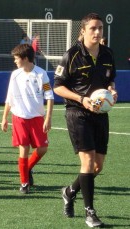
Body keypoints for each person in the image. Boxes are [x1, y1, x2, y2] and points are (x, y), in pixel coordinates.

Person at [53, 13, 117, 228]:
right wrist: (82, 99)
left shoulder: (107, 53)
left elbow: (110, 82)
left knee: (97, 167)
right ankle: (90, 212)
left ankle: (69, 191)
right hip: (77, 113)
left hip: (100, 115)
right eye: (93, 28)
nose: (97, 32)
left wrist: (111, 94)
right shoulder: (71, 55)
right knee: (87, 163)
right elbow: (58, 86)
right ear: (83, 31)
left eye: (100, 28)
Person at [1, 44, 54, 194]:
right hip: (20, 118)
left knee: (43, 149)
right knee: (23, 150)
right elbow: (9, 98)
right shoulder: (15, 75)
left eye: (17, 58)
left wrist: (48, 118)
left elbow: (49, 97)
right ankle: (24, 183)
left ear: (25, 58)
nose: (15, 61)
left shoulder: (41, 74)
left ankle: (27, 168)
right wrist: (4, 117)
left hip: (37, 118)